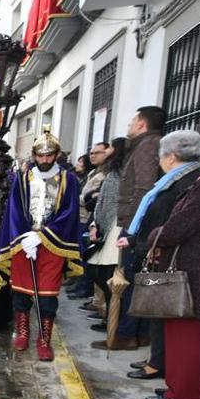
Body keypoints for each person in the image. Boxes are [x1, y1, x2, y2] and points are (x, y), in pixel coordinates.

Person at [114, 131, 200, 380]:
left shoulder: (187, 182)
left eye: (161, 156)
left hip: (168, 257)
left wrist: (144, 242)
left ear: (171, 157)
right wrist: (134, 238)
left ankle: (159, 362)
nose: (159, 161)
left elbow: (170, 223)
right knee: (157, 310)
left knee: (163, 309)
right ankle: (157, 357)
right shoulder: (175, 180)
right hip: (153, 250)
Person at [0, 126, 83, 361]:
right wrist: (24, 236)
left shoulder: (68, 180)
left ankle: (44, 339)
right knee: (21, 293)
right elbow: (13, 210)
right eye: (40, 155)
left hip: (53, 243)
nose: (44, 160)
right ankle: (23, 332)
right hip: (25, 242)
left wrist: (43, 236)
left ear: (56, 155)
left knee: (46, 296)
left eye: (48, 155)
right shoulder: (23, 178)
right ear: (34, 155)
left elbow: (70, 212)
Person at [144, 159, 200, 399]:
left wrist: (155, 236)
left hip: (193, 269)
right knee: (190, 334)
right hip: (196, 266)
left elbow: (181, 225)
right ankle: (183, 386)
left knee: (186, 335)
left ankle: (182, 392)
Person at [104, 106, 165, 351]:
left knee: (130, 280)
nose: (128, 125)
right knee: (132, 279)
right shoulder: (143, 145)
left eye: (132, 120)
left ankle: (128, 334)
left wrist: (132, 228)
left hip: (136, 226)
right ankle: (134, 333)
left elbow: (144, 189)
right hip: (135, 224)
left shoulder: (148, 145)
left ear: (142, 124)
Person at [84, 137, 126, 328]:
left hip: (112, 227)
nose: (107, 150)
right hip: (104, 225)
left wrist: (98, 226)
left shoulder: (118, 173)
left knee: (107, 275)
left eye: (111, 147)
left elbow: (109, 204)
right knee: (97, 272)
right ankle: (109, 315)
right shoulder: (111, 172)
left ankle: (112, 319)